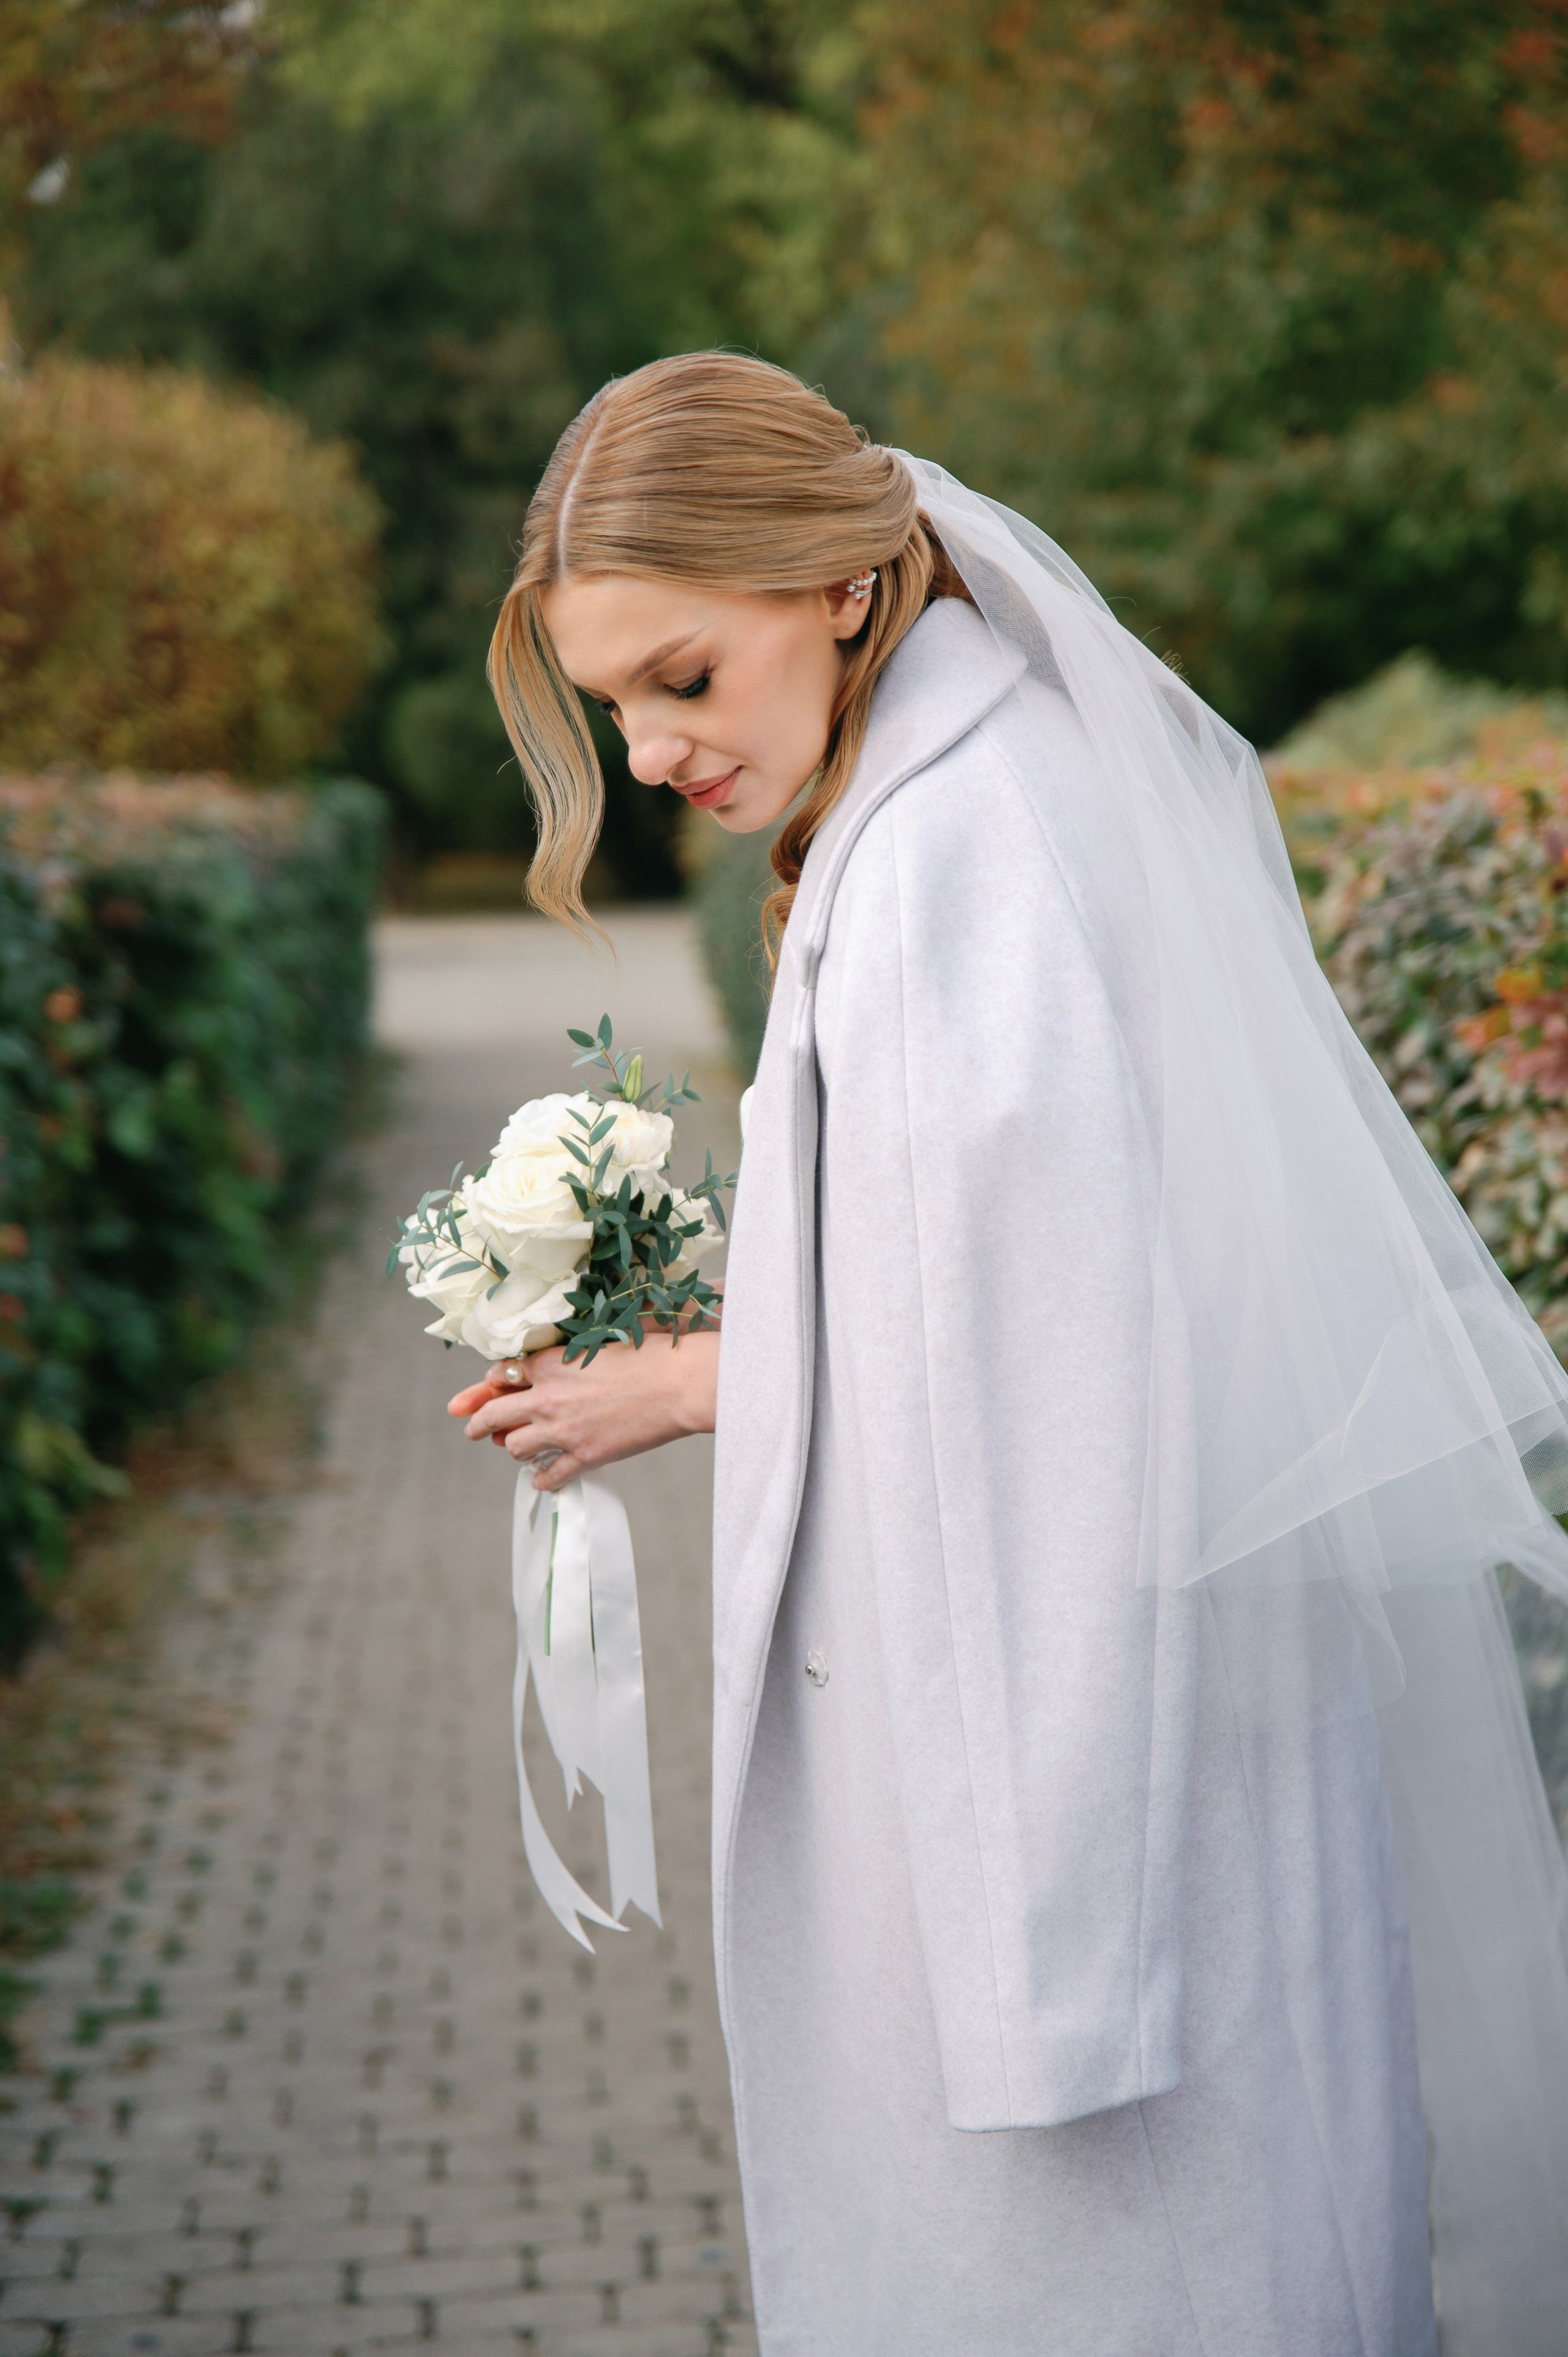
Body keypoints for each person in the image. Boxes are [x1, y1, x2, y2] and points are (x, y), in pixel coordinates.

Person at [446, 352, 1568, 2356]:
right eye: (619, 705)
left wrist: (1051, 1997)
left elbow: (1055, 1405)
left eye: (683, 678)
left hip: (1079, 1869)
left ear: (843, 588)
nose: (650, 752)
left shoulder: (968, 857)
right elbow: (995, 1308)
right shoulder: (938, 815)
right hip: (1080, 1804)